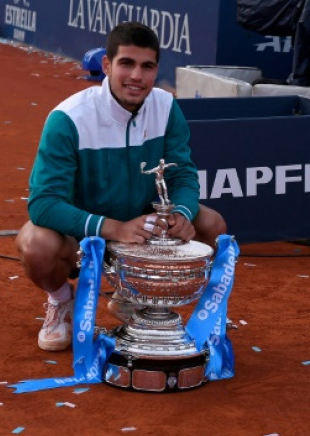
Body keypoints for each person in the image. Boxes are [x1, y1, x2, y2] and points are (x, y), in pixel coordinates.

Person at [15, 21, 227, 352]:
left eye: (147, 66)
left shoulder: (167, 107)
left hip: (142, 229)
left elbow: (182, 174)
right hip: (81, 235)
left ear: (157, 69)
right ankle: (61, 302)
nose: (137, 76)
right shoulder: (68, 119)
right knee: (36, 244)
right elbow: (43, 203)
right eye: (126, 63)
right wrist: (114, 228)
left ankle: (134, 295)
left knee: (211, 224)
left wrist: (182, 213)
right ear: (106, 65)